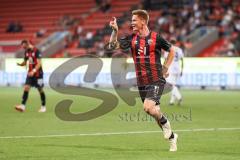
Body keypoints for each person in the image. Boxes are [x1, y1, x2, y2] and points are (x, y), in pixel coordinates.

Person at [108, 9, 178, 151]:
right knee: (153, 111)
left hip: (156, 79)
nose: (132, 23)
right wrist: (115, 31)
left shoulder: (156, 38)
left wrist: (165, 67)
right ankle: (172, 137)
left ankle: (165, 124)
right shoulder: (131, 39)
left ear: (143, 21)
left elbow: (172, 50)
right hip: (141, 82)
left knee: (148, 107)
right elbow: (112, 46)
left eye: (134, 20)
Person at [15, 40, 46, 113]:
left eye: (25, 47)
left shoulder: (36, 51)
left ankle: (43, 106)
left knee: (40, 89)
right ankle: (22, 106)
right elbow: (25, 62)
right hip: (30, 74)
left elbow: (39, 64)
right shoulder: (26, 52)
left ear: (28, 44)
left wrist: (33, 71)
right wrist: (21, 64)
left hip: (39, 74)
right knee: (26, 87)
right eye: (23, 47)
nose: (24, 48)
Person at [164, 39, 184, 105]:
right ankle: (172, 101)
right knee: (173, 85)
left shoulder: (168, 49)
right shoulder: (179, 49)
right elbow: (182, 60)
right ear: (175, 43)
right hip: (178, 69)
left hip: (171, 69)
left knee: (170, 85)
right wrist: (182, 70)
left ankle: (179, 97)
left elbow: (165, 60)